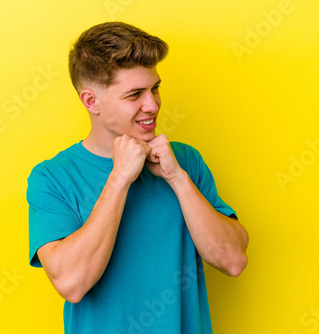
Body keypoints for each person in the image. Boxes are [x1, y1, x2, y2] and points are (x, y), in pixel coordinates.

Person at [27, 21, 249, 333]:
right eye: (135, 94)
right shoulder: (52, 177)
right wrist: (119, 178)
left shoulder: (184, 161)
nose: (153, 104)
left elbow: (233, 260)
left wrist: (177, 178)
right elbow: (71, 283)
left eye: (155, 88)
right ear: (92, 102)